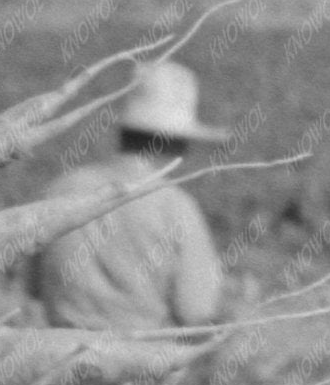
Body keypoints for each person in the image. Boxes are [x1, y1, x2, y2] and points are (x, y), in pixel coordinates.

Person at [31, 59, 226, 331]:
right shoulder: (176, 207)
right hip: (143, 362)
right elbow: (196, 310)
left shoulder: (59, 191)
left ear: (123, 133)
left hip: (58, 362)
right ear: (178, 144)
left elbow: (33, 287)